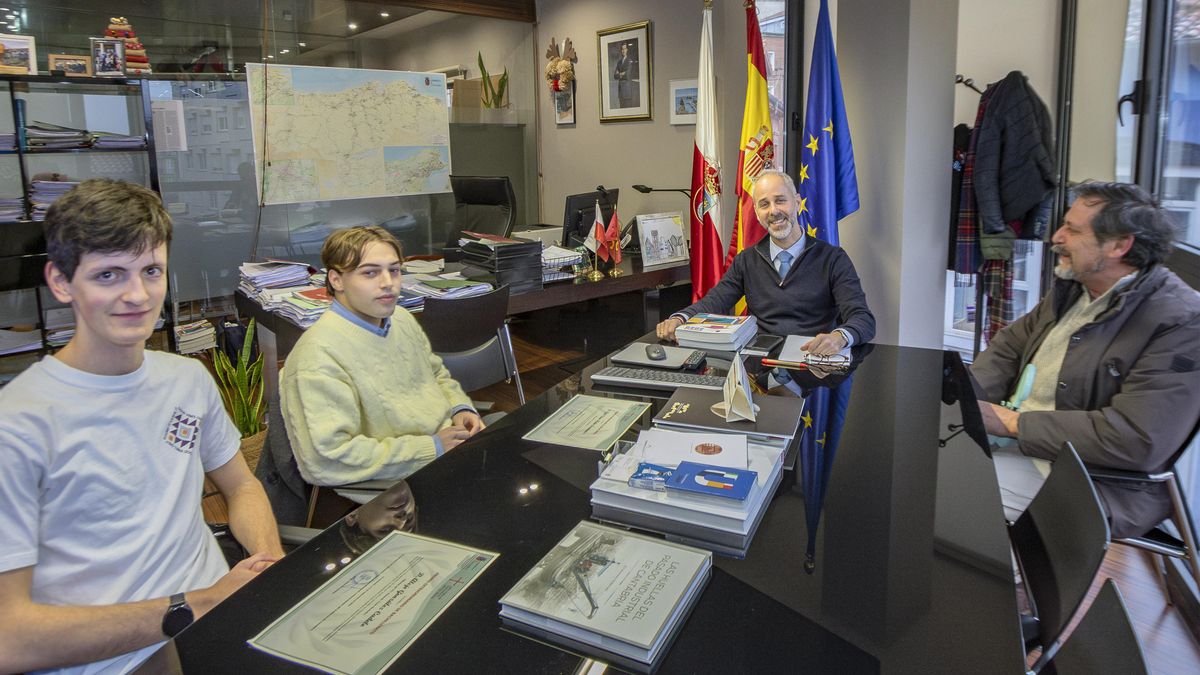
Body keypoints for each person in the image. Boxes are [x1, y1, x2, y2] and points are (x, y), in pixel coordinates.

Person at [0, 179, 283, 674]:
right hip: (113, 659)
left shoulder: (187, 380)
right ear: (61, 281)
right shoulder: (18, 424)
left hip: (219, 625)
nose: (136, 295)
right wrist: (198, 604)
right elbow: (11, 641)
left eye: (150, 270)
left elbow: (241, 487)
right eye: (109, 274)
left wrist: (267, 560)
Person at [971, 181, 1200, 538]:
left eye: (1072, 230)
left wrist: (1013, 423)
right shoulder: (1076, 287)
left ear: (1119, 245)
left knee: (942, 503)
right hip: (1024, 448)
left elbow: (1136, 440)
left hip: (1086, 478)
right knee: (910, 470)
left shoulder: (1182, 321)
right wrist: (968, 397)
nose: (1055, 238)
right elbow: (1010, 346)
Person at [280, 225, 485, 487]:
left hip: (447, 448)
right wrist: (432, 448)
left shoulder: (399, 318)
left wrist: (459, 407)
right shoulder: (318, 356)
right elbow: (327, 460)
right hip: (396, 483)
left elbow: (435, 373)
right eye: (370, 273)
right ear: (336, 280)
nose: (388, 283)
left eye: (394, 270)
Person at [656, 169, 875, 357]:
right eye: (764, 204)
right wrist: (679, 318)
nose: (773, 211)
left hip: (814, 367)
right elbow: (715, 300)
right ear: (758, 215)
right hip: (760, 367)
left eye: (780, 200)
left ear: (797, 203)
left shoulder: (833, 259)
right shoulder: (746, 260)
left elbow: (862, 318)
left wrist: (839, 337)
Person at [614, 42, 636, 108]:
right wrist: (622, 73)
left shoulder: (629, 61)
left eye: (625, 49)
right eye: (622, 49)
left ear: (627, 50)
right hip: (620, 91)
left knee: (628, 110)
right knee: (621, 109)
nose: (623, 51)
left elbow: (627, 75)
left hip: (627, 91)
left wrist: (619, 74)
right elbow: (615, 76)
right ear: (621, 50)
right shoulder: (619, 62)